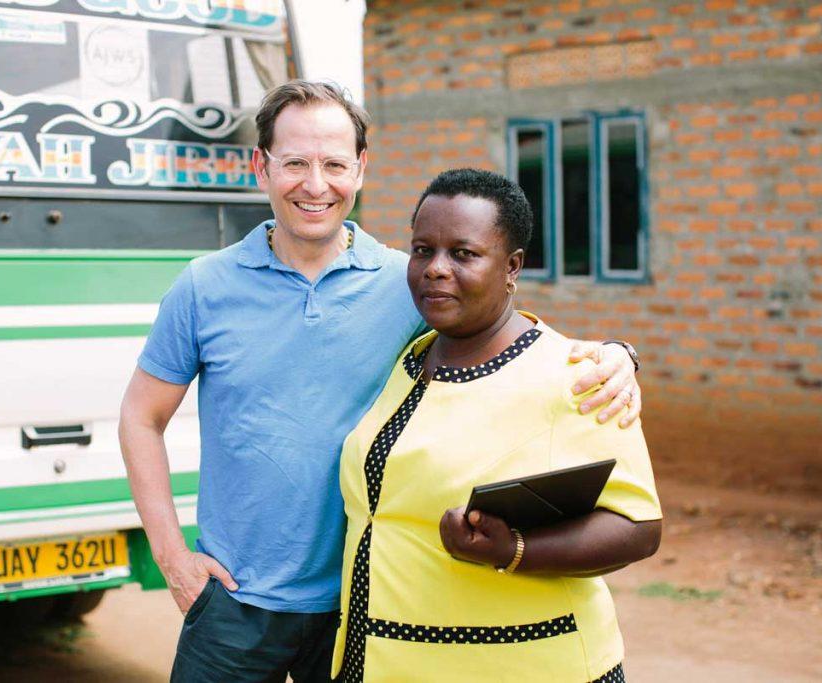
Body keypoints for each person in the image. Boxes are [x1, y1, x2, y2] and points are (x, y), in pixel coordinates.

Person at [118, 81, 643, 682]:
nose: (316, 185)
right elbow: (141, 417)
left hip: (365, 605)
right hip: (235, 603)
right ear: (259, 165)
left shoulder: (411, 281)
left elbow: (510, 338)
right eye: (295, 163)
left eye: (335, 164)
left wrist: (618, 354)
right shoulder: (203, 286)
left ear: (361, 169)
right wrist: (172, 558)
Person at [332, 169, 662, 682]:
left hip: (517, 664)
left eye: (463, 254)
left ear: (511, 267)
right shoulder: (410, 361)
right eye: (422, 250)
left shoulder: (577, 376)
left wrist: (514, 551)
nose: (435, 269)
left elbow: (638, 526)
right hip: (383, 660)